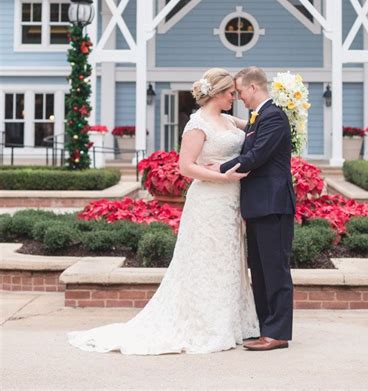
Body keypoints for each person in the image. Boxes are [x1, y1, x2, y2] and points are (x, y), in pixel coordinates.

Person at [67, 68, 259, 355]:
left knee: (229, 259)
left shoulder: (229, 119)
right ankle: (206, 325)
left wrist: (283, 113)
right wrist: (223, 177)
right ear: (217, 93)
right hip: (209, 199)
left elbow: (259, 126)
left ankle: (230, 322)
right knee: (206, 260)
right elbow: (185, 166)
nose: (235, 97)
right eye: (231, 93)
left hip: (231, 200)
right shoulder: (197, 124)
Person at [209, 66, 295, 352]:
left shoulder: (274, 117)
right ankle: (265, 328)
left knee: (275, 270)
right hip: (258, 205)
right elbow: (250, 144)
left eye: (241, 91)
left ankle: (278, 333)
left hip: (273, 205)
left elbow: (256, 156)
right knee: (259, 270)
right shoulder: (258, 118)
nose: (238, 97)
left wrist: (218, 168)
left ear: (254, 88)